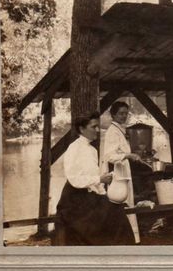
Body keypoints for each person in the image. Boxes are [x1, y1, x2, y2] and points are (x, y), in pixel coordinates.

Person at [55, 112, 134, 245]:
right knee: (107, 220)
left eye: (98, 126)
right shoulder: (74, 148)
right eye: (93, 127)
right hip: (74, 201)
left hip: (89, 196)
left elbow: (94, 179)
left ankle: (123, 254)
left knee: (117, 211)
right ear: (81, 129)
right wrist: (99, 179)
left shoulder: (92, 150)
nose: (97, 130)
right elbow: (74, 179)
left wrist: (104, 192)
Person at [100, 101, 142, 244]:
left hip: (123, 172)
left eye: (126, 113)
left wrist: (131, 155)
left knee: (127, 203)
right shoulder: (112, 132)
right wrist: (128, 156)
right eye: (121, 113)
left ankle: (129, 237)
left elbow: (120, 151)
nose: (124, 116)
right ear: (113, 115)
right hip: (117, 175)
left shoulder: (120, 130)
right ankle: (123, 238)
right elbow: (109, 156)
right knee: (121, 204)